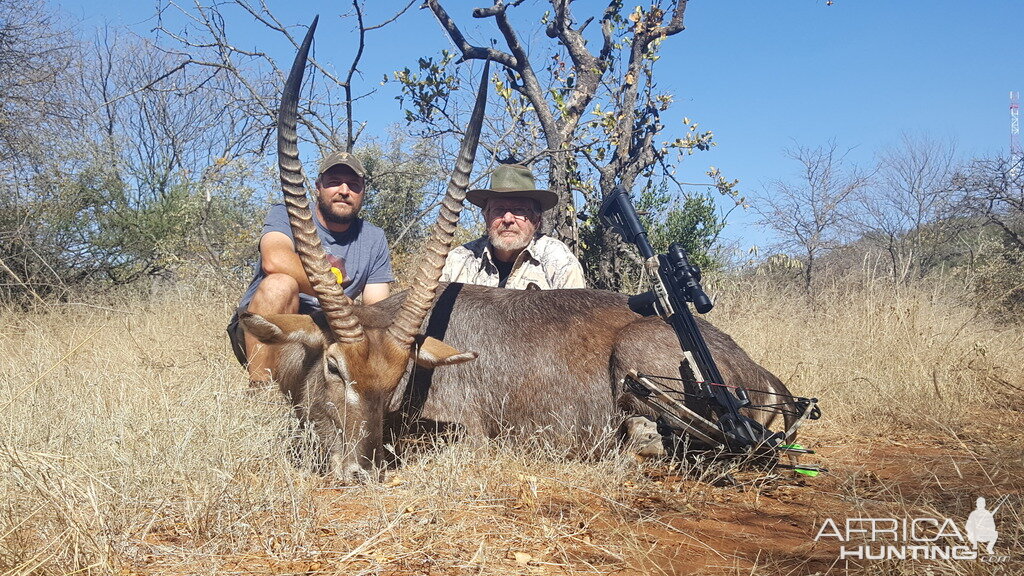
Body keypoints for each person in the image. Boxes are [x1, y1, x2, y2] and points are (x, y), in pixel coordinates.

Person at [228, 151, 395, 385]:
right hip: (264, 330)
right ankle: (261, 390)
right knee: (280, 285)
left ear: (363, 192)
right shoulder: (288, 213)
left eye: (354, 185)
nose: (344, 191)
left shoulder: (374, 238)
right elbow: (274, 260)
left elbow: (376, 308)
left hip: (327, 335)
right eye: (334, 183)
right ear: (318, 187)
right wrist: (338, 299)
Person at [439, 163, 585, 289]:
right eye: (498, 210)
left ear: (536, 219)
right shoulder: (459, 260)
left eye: (519, 210)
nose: (507, 219)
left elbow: (578, 320)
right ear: (486, 217)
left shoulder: (559, 260)